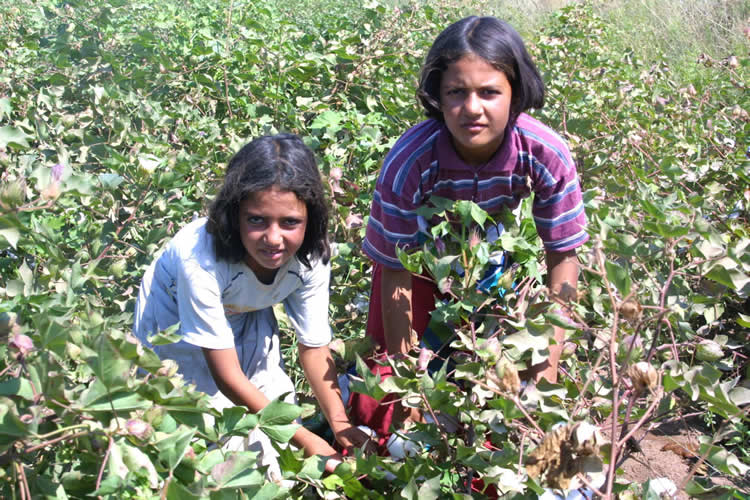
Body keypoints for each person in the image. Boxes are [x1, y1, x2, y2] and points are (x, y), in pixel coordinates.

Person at [351, 16, 588, 438]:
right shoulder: (410, 162)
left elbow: (562, 258)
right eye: (456, 92)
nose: (473, 107)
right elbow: (394, 271)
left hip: (495, 269)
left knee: (500, 402)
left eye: (489, 92)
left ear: (516, 95)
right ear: (437, 97)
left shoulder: (546, 153)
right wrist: (409, 387)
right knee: (386, 409)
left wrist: (545, 369)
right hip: (417, 270)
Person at [133, 134, 371, 480]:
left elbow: (314, 346)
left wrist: (341, 426)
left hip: (245, 311)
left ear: (310, 218)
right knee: (203, 438)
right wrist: (308, 442)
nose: (273, 239)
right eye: (257, 220)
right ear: (234, 215)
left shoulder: (312, 257)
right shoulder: (200, 260)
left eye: (290, 222)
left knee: (272, 419)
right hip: (173, 329)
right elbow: (227, 376)